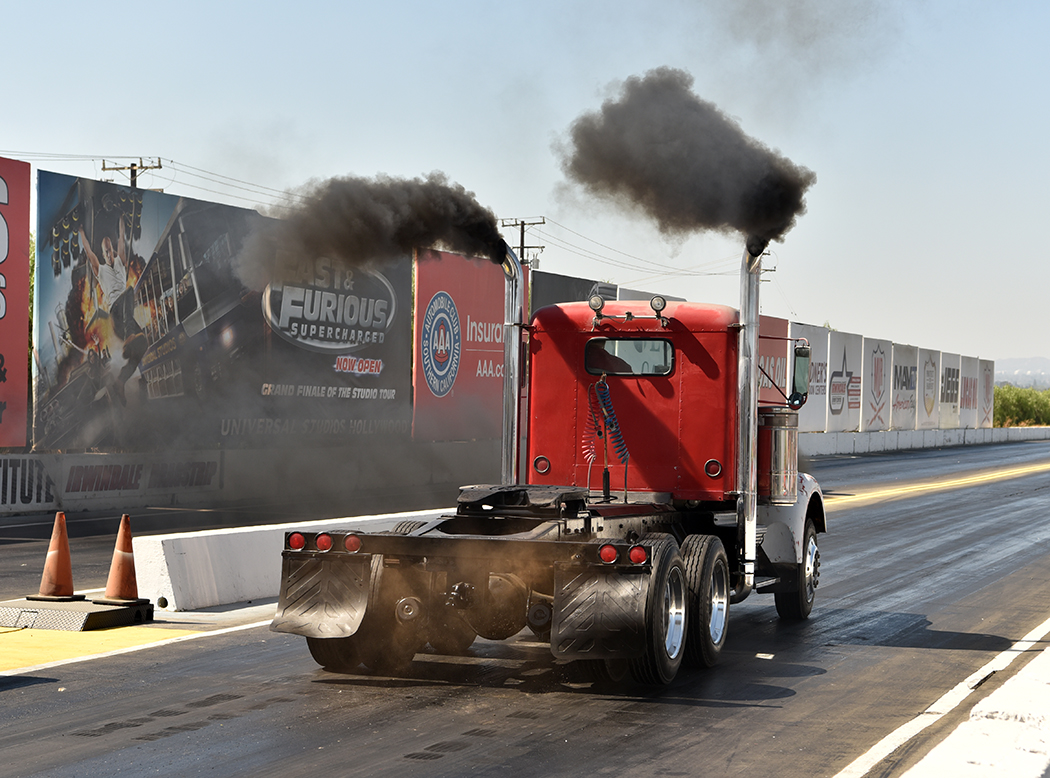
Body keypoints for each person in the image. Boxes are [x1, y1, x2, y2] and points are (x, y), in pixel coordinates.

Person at [79, 216, 147, 404]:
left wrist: (121, 223)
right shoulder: (100, 270)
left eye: (111, 251)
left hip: (126, 317)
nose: (109, 254)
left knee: (143, 344)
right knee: (128, 292)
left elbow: (122, 238)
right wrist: (82, 232)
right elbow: (88, 251)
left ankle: (121, 381)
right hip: (116, 315)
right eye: (106, 252)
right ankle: (130, 336)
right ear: (103, 254)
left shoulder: (120, 261)